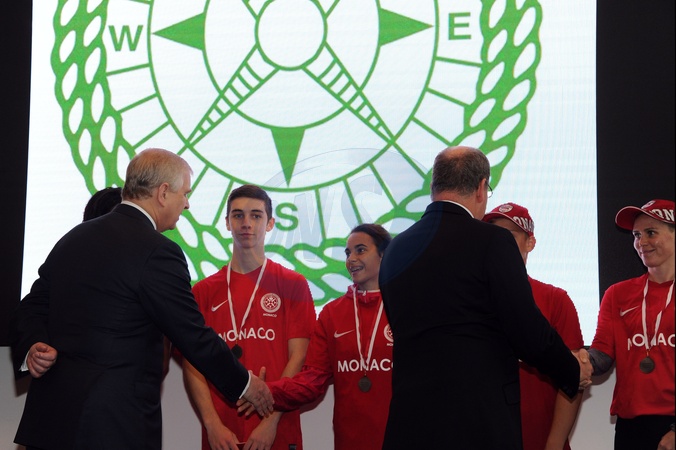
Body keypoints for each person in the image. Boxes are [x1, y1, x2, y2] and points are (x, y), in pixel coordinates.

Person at [9, 148, 273, 450]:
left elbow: (31, 306)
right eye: (185, 194)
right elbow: (192, 334)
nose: (186, 204)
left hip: (49, 424)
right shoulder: (159, 251)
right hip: (111, 426)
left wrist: (33, 344)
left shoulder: (73, 238)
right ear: (163, 193)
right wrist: (245, 384)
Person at [378, 146, 592, 450]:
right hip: (477, 422)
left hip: (411, 424)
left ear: (433, 187)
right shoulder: (492, 241)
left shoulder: (396, 249)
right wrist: (571, 370)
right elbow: (526, 329)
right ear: (481, 188)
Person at [182, 184, 315, 450]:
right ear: (227, 223)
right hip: (222, 434)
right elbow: (192, 365)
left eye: (256, 215)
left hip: (277, 428)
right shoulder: (202, 292)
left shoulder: (293, 284)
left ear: (270, 223)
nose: (246, 223)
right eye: (238, 215)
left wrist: (271, 421)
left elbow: (299, 358)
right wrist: (212, 424)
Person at [262, 223, 393, 450]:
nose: (351, 259)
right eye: (348, 253)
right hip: (349, 441)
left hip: (401, 436)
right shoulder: (332, 313)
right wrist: (267, 391)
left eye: (360, 250)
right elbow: (311, 381)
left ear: (383, 254)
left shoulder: (407, 308)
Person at [483, 202, 585, 450]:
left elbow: (575, 377)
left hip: (541, 439)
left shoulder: (555, 299)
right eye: (494, 236)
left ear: (530, 243)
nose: (500, 243)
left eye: (509, 236)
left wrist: (554, 443)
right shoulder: (471, 299)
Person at [588, 199, 675, 450]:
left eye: (651, 233)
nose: (641, 242)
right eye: (637, 235)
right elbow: (601, 356)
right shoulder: (617, 294)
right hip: (631, 426)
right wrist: (573, 360)